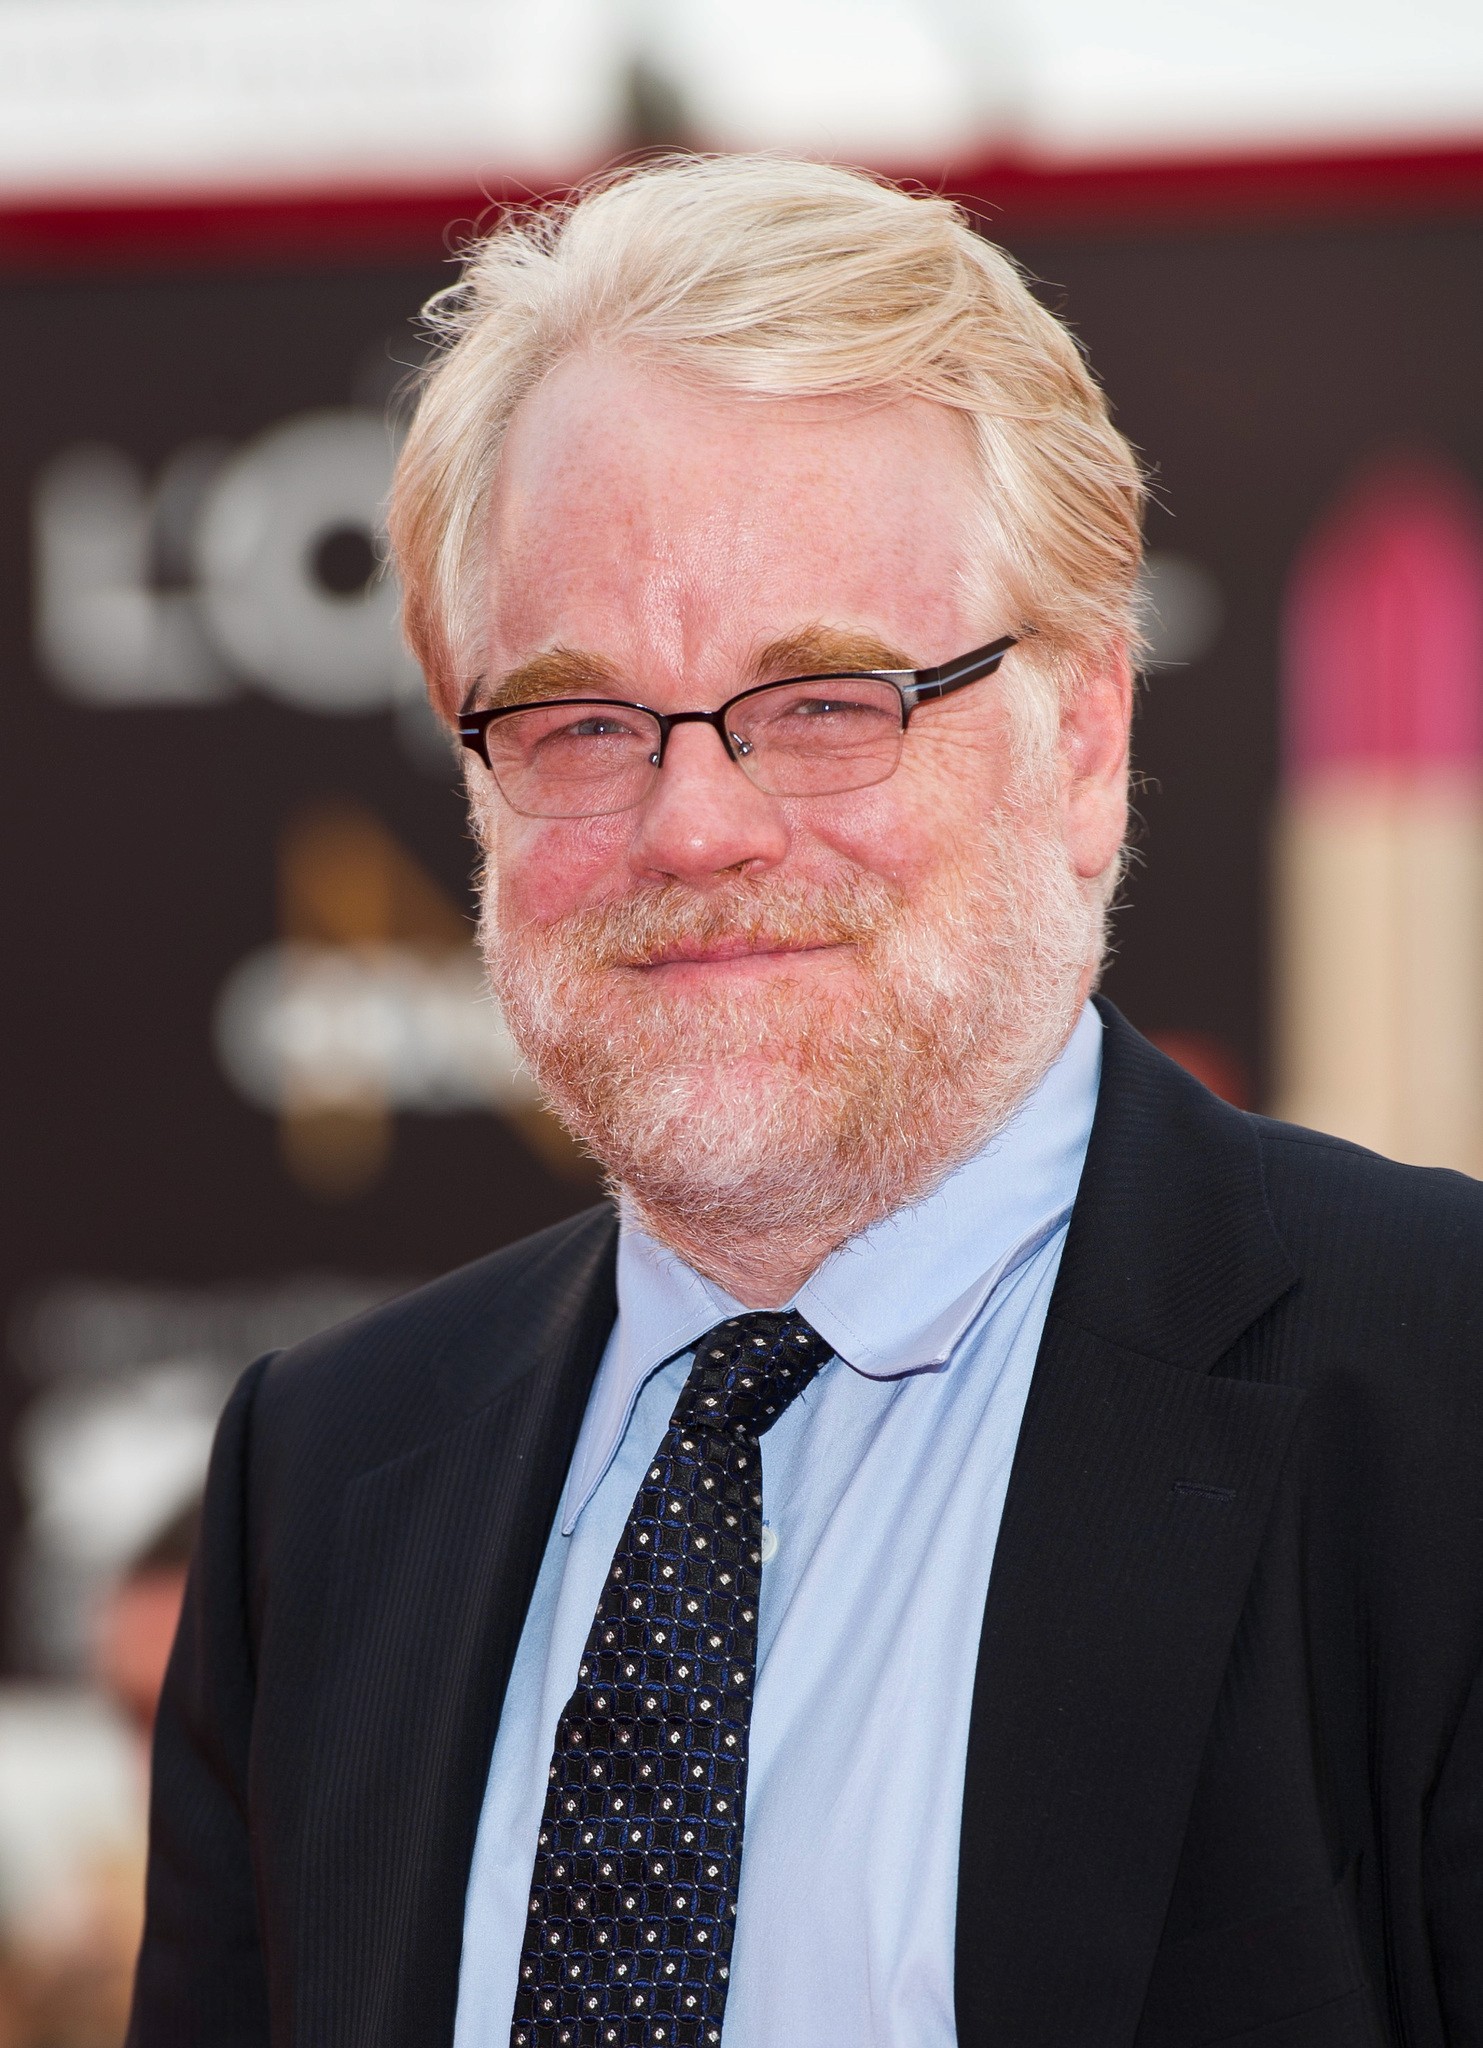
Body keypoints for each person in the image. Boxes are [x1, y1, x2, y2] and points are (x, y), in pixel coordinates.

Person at [127, 157, 1482, 2048]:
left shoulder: (1445, 1396)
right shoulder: (326, 1486)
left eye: (829, 699)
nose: (693, 825)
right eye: (583, 721)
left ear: (1083, 739)